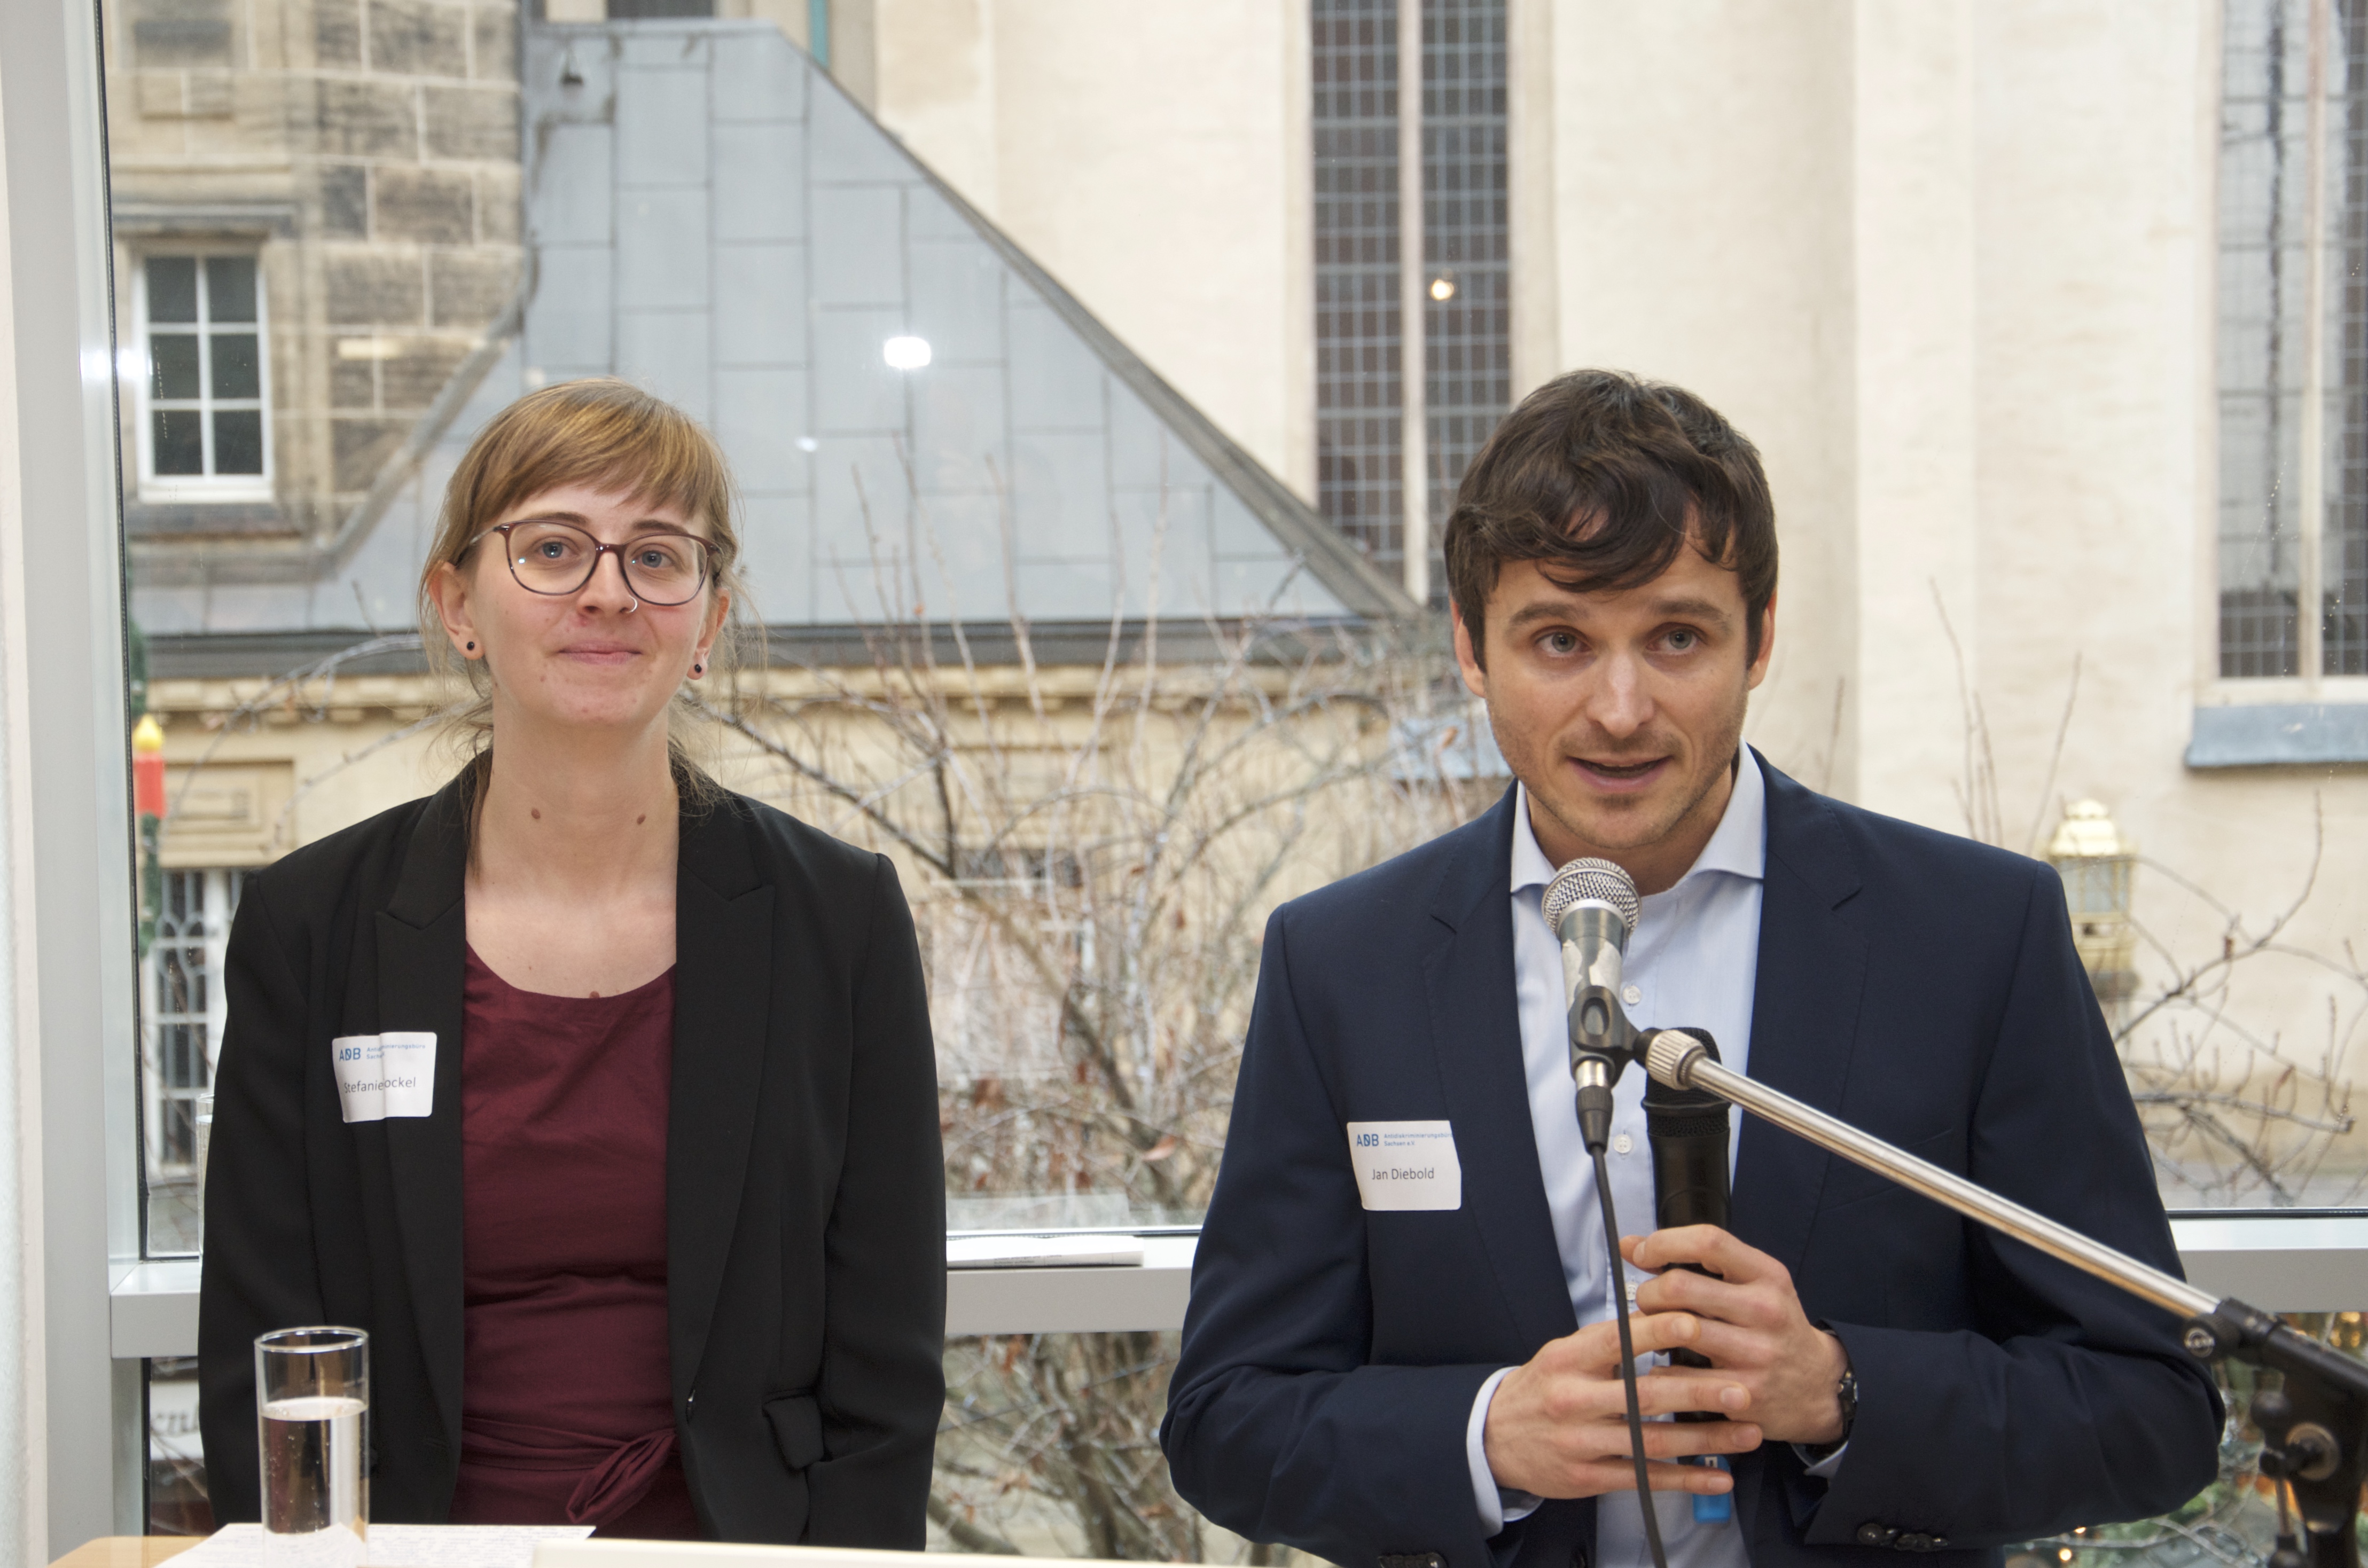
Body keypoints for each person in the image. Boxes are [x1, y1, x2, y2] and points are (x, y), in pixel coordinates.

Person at [1159, 370, 2222, 1568]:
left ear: (1760, 637)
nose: (1621, 709)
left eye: (1676, 636)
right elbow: (1225, 1420)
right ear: (1470, 647)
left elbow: (2152, 1407)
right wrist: (1483, 1434)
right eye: (1559, 639)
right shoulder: (1341, 961)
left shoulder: (1977, 933)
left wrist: (1842, 1392)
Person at [198, 379, 945, 1541]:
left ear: (708, 620)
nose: (607, 591)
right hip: (410, 1554)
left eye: (657, 556)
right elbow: (264, 1339)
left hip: (746, 1554)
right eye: (552, 547)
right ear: (457, 603)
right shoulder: (312, 924)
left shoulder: (836, 918)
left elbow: (888, 1357)